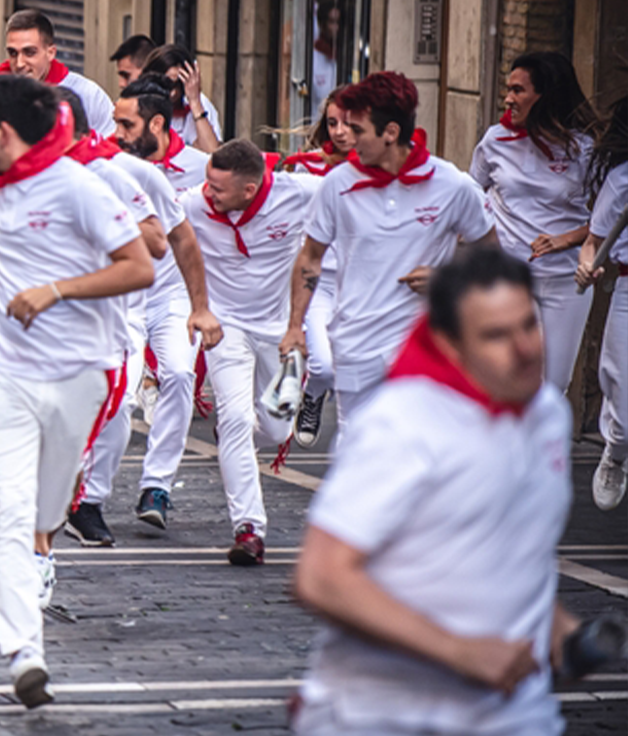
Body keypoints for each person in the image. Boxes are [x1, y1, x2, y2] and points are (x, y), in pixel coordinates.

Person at [292, 247, 578, 736]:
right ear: (449, 345)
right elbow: (322, 577)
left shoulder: (549, 416)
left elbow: (505, 535)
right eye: (495, 335)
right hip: (379, 718)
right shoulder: (402, 423)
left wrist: (548, 615)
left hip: (511, 716)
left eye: (528, 325)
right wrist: (460, 651)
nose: (524, 349)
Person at [0, 73, 150, 708]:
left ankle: (51, 525)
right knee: (6, 512)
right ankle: (25, 653)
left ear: (5, 133)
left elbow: (139, 265)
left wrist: (55, 290)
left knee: (44, 512)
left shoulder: (79, 188)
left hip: (75, 373)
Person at [278, 71, 494, 434]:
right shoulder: (337, 185)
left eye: (359, 130)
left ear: (390, 132)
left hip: (424, 346)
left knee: (417, 454)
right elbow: (310, 256)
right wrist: (295, 327)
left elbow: (490, 254)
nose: (349, 139)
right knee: (358, 456)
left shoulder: (452, 185)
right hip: (356, 344)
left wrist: (446, 279)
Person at [183, 139, 320, 565]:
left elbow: (353, 195)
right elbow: (157, 229)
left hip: (283, 331)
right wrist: (199, 308)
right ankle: (249, 529)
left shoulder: (298, 193)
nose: (208, 193)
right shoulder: (191, 203)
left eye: (218, 189)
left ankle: (237, 438)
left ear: (250, 188)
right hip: (226, 329)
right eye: (206, 182)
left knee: (277, 430)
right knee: (238, 418)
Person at [102, 71, 219, 534]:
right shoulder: (109, 163)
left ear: (155, 125)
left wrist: (203, 304)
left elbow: (195, 236)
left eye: (126, 126)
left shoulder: (196, 166)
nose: (115, 135)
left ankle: (157, 487)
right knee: (121, 394)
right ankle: (89, 493)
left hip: (171, 295)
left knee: (179, 374)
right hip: (123, 295)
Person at [470, 51, 596, 395]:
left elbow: (610, 216)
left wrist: (568, 239)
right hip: (508, 281)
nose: (508, 98)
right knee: (508, 377)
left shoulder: (584, 148)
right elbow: (469, 198)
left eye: (518, 90)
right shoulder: (494, 140)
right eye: (508, 89)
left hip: (565, 280)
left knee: (553, 386)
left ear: (546, 95)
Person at [0, 10, 115, 233]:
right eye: (12, 53)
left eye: (30, 52)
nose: (19, 63)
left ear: (51, 52)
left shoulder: (89, 96)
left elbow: (114, 162)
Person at [279, 86, 350, 449]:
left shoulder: (382, 173)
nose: (338, 131)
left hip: (362, 285)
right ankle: (313, 395)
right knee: (323, 365)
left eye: (347, 123)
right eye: (332, 122)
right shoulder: (305, 167)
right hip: (319, 281)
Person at [578, 96, 628, 510]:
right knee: (625, 405)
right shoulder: (621, 180)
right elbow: (594, 241)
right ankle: (616, 448)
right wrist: (587, 265)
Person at [139, 44, 219, 151]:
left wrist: (195, 103)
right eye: (167, 84)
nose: (173, 93)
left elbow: (212, 152)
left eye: (179, 84)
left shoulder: (197, 103)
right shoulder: (137, 104)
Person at [310, 1, 339, 118]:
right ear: (322, 24)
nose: (336, 28)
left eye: (338, 22)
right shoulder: (312, 60)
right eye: (332, 22)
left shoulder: (343, 59)